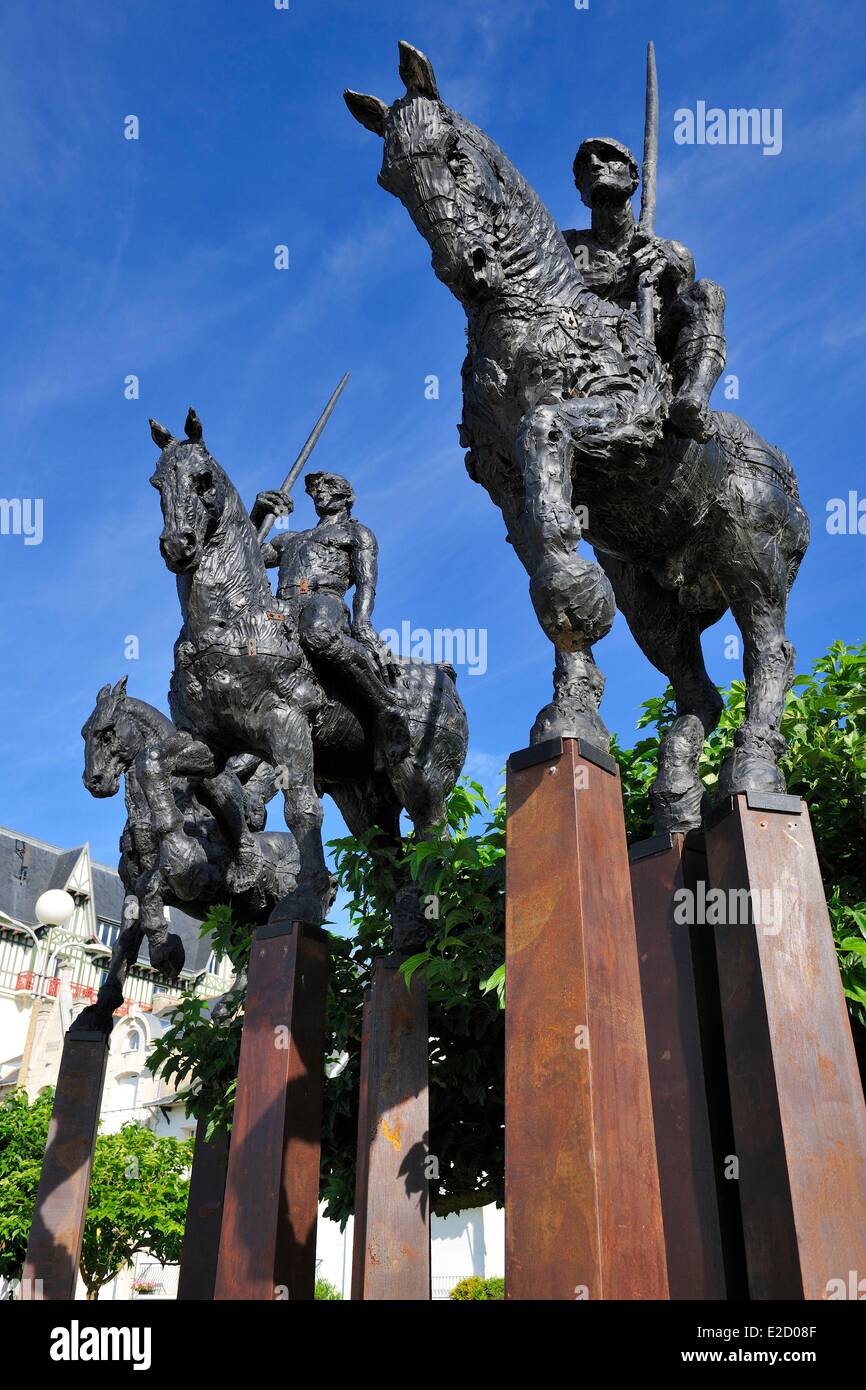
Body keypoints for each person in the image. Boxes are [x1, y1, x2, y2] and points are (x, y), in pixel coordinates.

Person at [564, 137, 726, 442]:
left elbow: (683, 318)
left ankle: (692, 400)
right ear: (579, 187)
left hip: (651, 351)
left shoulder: (671, 251)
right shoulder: (565, 249)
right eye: (586, 164)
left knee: (707, 292)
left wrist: (667, 265)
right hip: (588, 357)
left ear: (634, 177)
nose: (596, 164)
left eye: (609, 157)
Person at [250, 471, 408, 756]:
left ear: (347, 497)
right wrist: (258, 514)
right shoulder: (290, 539)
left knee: (319, 632)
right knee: (247, 642)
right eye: (317, 487)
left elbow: (366, 583)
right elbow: (248, 555)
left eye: (330, 485)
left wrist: (362, 622)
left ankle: (386, 706)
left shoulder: (356, 533)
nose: (321, 490)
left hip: (325, 600)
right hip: (282, 608)